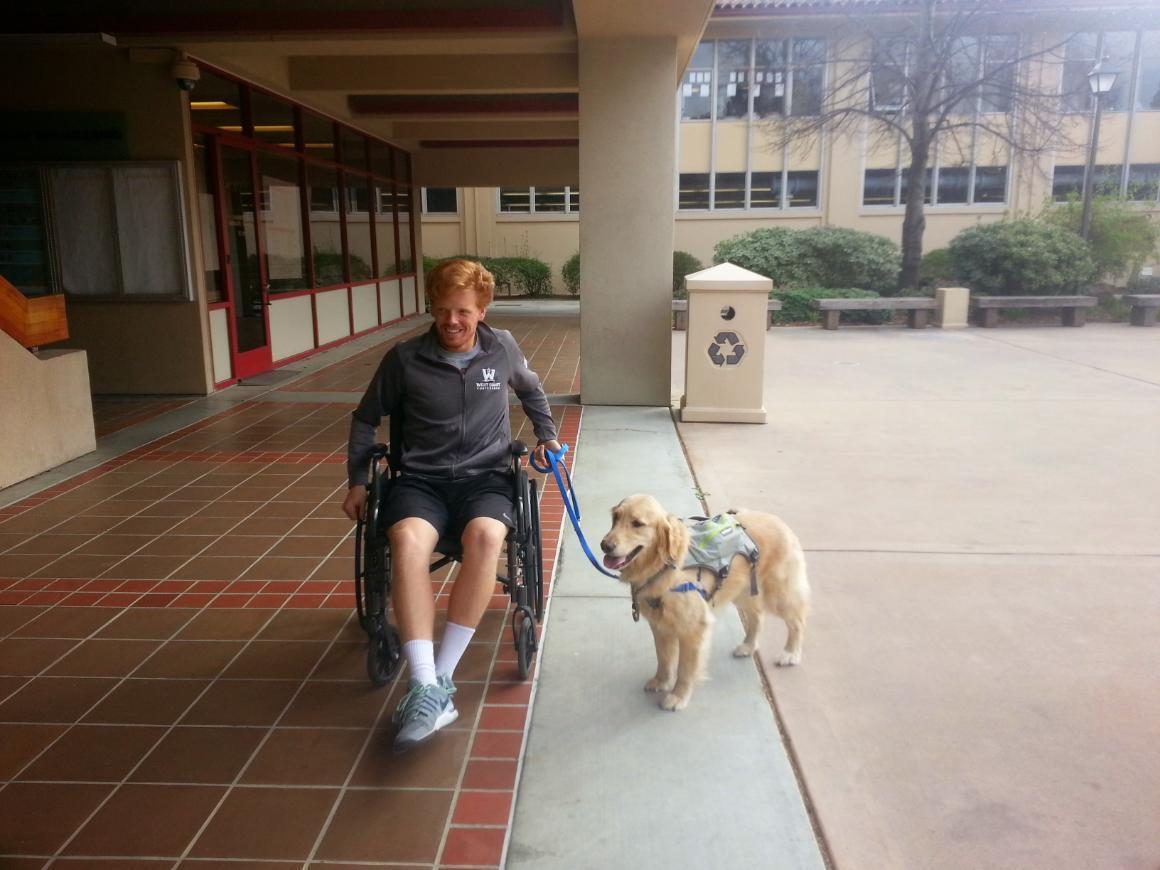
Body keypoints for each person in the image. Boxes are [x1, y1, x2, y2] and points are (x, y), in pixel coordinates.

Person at [342, 258, 561, 754]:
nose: (451, 322)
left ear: (482, 310)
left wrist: (546, 436)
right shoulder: (404, 358)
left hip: (485, 479)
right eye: (441, 310)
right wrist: (358, 480)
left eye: (462, 311)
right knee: (405, 539)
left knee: (486, 537)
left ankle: (439, 679)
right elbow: (365, 419)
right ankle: (422, 681)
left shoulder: (501, 347)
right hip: (421, 480)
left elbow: (531, 390)